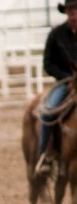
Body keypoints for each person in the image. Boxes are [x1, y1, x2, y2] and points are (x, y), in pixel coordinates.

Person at [36, 0, 77, 176]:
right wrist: (65, 77)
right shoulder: (56, 34)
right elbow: (48, 63)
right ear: (66, 12)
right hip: (64, 81)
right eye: (71, 9)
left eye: (76, 9)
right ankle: (45, 154)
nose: (74, 13)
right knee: (49, 111)